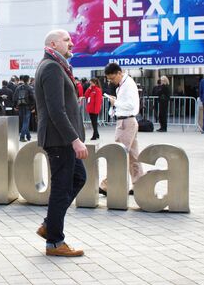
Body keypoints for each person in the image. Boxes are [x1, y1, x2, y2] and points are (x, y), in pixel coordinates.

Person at [34, 29, 87, 257]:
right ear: (53, 44)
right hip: (59, 140)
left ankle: (50, 225)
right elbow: (56, 110)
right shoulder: (52, 67)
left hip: (61, 139)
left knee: (78, 178)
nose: (71, 43)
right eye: (67, 40)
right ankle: (54, 242)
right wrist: (74, 139)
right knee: (61, 188)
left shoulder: (57, 66)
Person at [100, 63, 144, 195]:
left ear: (119, 73)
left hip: (126, 122)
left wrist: (116, 102)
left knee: (117, 154)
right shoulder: (125, 84)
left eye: (112, 78)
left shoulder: (128, 85)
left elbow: (130, 105)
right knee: (133, 156)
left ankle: (107, 185)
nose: (111, 81)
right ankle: (139, 184)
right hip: (128, 121)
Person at [13, 74, 35, 142]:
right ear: (28, 80)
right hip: (27, 107)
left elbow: (15, 98)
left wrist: (15, 106)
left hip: (20, 106)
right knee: (26, 122)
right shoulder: (30, 88)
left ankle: (28, 136)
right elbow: (33, 98)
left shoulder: (18, 88)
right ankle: (22, 137)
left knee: (24, 122)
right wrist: (33, 107)